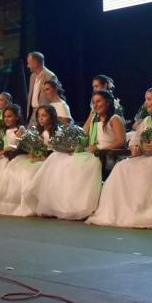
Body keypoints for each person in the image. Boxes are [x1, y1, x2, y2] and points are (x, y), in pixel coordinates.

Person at [87, 86, 152, 229]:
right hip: (144, 157)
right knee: (121, 166)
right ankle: (120, 211)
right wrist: (135, 147)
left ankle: (142, 211)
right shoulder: (146, 121)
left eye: (149, 99)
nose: (146, 103)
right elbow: (135, 139)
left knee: (144, 170)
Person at [27, 90, 121, 220]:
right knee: (58, 157)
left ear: (108, 102)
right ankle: (60, 203)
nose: (96, 105)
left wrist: (101, 148)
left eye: (98, 101)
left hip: (106, 155)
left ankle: (79, 206)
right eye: (93, 102)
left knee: (77, 165)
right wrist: (92, 114)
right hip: (92, 153)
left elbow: (121, 141)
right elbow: (85, 133)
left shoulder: (114, 119)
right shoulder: (96, 120)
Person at [0, 104, 55, 217]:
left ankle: (33, 204)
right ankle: (19, 204)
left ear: (51, 117)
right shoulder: (39, 132)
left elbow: (53, 150)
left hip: (48, 159)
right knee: (18, 171)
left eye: (44, 116)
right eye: (39, 116)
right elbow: (35, 147)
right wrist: (32, 153)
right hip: (36, 158)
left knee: (28, 173)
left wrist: (40, 157)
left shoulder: (55, 132)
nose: (40, 118)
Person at [25, 51, 57, 125]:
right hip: (33, 113)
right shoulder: (32, 76)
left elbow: (54, 97)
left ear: (36, 63)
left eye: (29, 63)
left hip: (44, 114)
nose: (28, 66)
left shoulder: (50, 76)